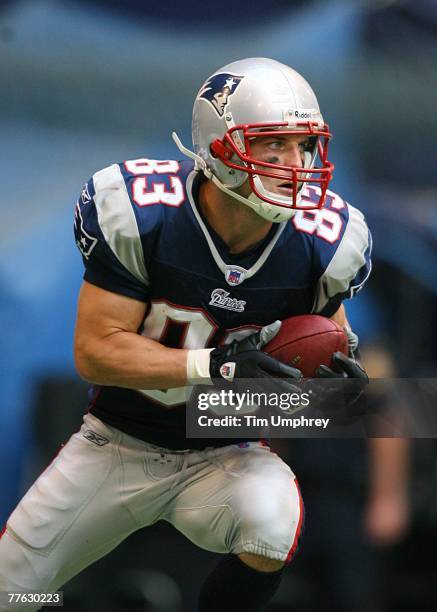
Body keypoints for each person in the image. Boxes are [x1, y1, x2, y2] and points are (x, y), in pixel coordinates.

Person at [0, 57, 371, 612]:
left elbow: (324, 366)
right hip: (118, 444)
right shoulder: (143, 213)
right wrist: (216, 367)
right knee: (15, 593)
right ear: (219, 147)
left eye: (305, 145)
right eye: (273, 144)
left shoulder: (326, 242)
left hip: (226, 449)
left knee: (272, 522)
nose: (296, 165)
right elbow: (96, 352)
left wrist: (335, 393)